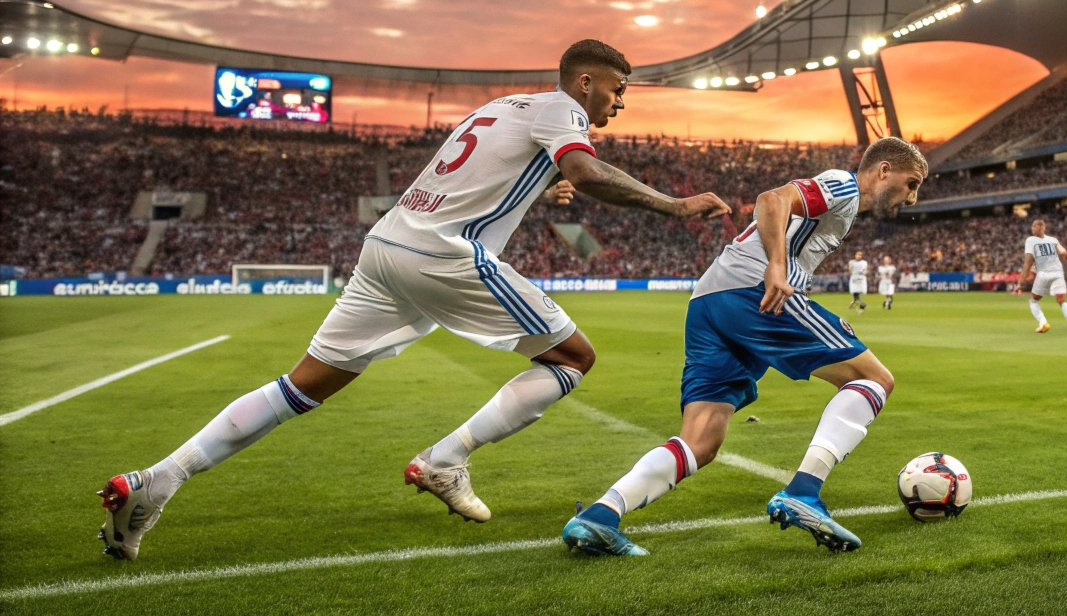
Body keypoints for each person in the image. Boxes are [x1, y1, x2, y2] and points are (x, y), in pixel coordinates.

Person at [98, 40, 731, 561]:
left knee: (301, 387)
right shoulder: (563, 110)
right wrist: (672, 204)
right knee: (572, 359)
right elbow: (588, 173)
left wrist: (540, 193)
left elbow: (473, 178)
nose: (621, 102)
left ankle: (159, 479)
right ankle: (445, 460)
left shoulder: (502, 106)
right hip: (442, 254)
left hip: (386, 249)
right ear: (584, 81)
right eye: (618, 89)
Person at [562, 138, 926, 557]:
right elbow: (771, 199)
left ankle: (600, 515)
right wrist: (776, 265)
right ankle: (803, 493)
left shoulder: (842, 209)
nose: (911, 197)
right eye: (910, 183)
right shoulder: (844, 187)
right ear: (883, 170)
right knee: (874, 379)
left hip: (709, 301)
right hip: (753, 291)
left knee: (700, 441)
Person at [1021, 218, 1067, 336]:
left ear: (1040, 227)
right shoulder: (1053, 240)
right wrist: (1063, 256)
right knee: (1061, 301)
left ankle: (1043, 323)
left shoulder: (1031, 240)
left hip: (1043, 274)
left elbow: (1028, 260)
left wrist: (1023, 277)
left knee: (1033, 301)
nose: (1032, 228)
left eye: (1034, 226)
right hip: (1058, 273)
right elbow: (1063, 251)